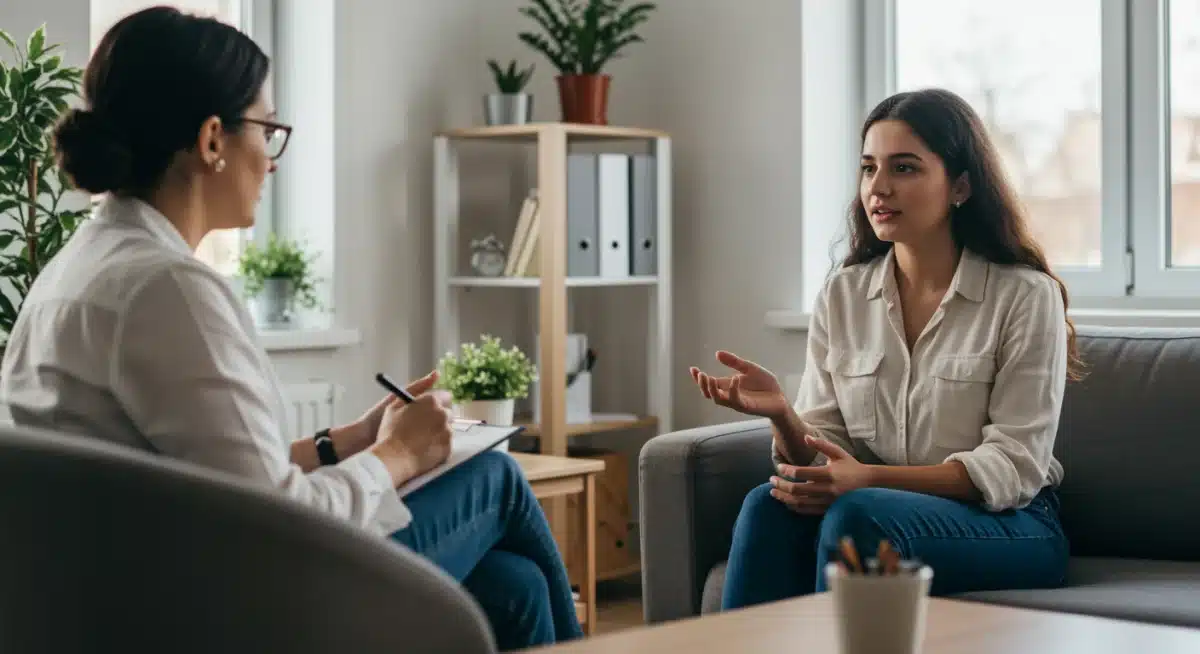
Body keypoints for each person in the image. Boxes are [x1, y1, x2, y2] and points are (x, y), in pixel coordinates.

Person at [0, 7, 581, 651]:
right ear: (213, 140)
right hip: (237, 616)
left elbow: (217, 475)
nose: (273, 160)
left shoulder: (80, 268)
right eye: (268, 129)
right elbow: (276, 526)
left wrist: (349, 441)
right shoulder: (168, 289)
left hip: (126, 597)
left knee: (514, 586)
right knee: (496, 480)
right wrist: (400, 454)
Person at [690, 88, 1079, 609]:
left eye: (904, 168)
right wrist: (782, 414)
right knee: (768, 505)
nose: (879, 187)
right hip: (878, 508)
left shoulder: (1026, 296)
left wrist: (867, 479)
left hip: (1013, 523)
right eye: (869, 168)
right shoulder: (843, 294)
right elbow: (826, 451)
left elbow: (1015, 465)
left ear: (960, 186)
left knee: (859, 513)